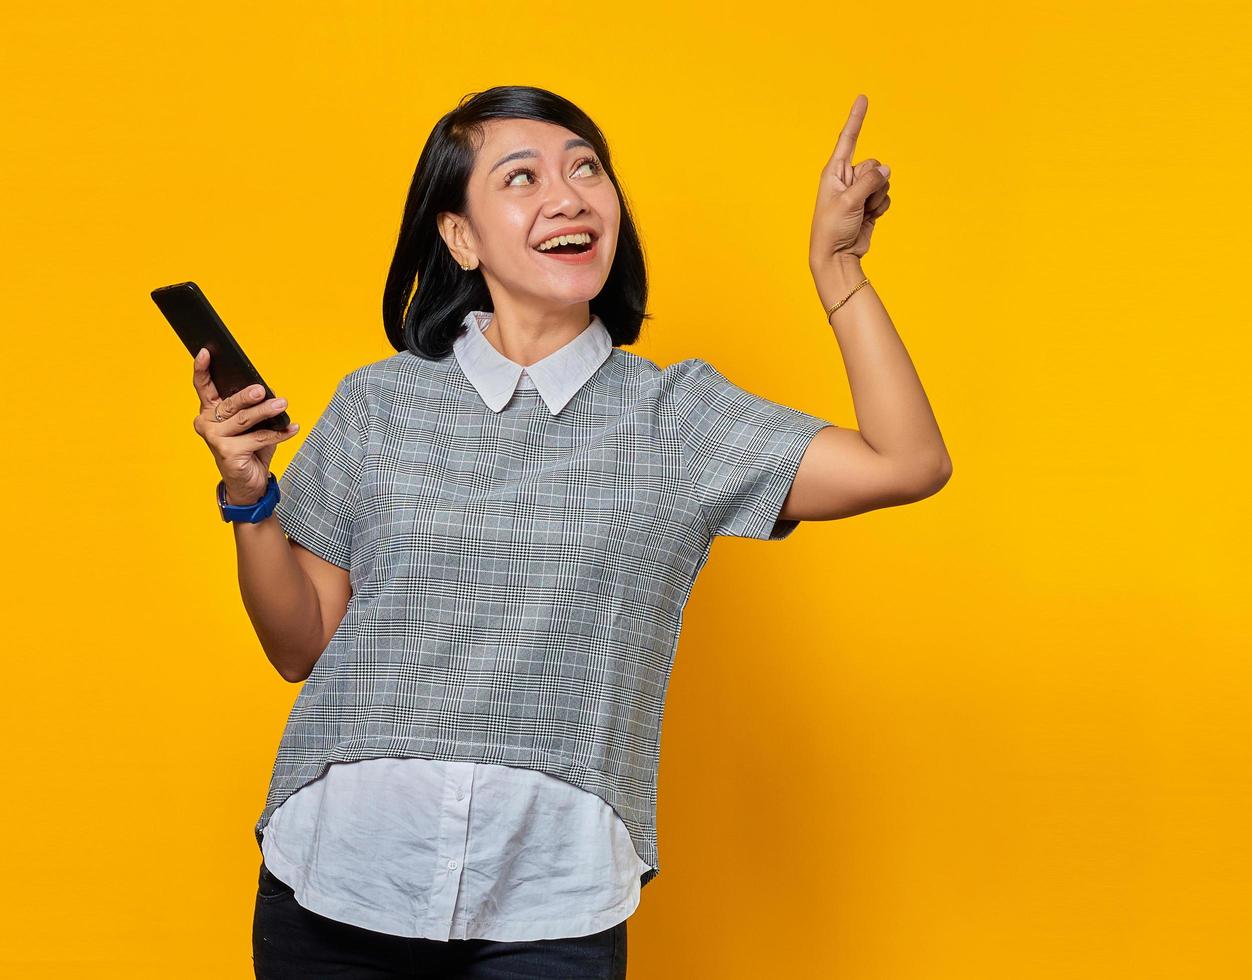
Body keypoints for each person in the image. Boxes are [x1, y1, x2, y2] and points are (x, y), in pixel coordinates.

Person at [191, 85, 950, 979]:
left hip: (550, 902)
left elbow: (908, 462)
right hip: (337, 881)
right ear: (460, 237)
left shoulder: (677, 419)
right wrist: (248, 496)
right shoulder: (377, 405)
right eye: (522, 177)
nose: (569, 195)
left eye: (587, 169)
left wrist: (839, 272)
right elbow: (300, 643)